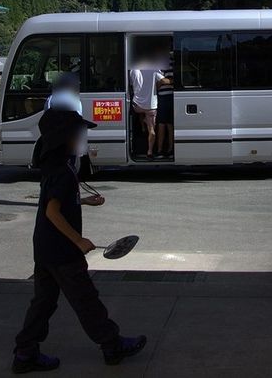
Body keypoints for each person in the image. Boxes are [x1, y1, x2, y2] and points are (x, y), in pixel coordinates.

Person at [11, 104, 146, 373]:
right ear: (63, 137)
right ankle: (112, 344)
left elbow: (55, 202)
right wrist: (79, 241)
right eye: (78, 135)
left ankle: (25, 353)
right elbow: (52, 212)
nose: (82, 140)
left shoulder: (54, 166)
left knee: (44, 302)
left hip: (45, 248)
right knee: (85, 299)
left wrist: (83, 201)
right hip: (62, 251)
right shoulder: (62, 172)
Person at [129, 61, 161, 159]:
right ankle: (149, 151)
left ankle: (142, 125)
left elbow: (130, 85)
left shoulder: (133, 70)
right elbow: (162, 81)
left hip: (137, 106)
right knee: (152, 130)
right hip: (151, 106)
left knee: (138, 109)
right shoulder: (154, 68)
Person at [155, 74, 174, 158]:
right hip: (161, 98)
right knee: (161, 124)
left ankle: (171, 150)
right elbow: (157, 84)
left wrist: (164, 82)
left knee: (170, 125)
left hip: (172, 97)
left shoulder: (172, 65)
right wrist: (168, 81)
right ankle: (160, 150)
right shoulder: (156, 68)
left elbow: (163, 81)